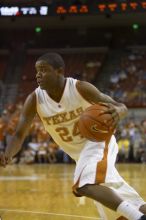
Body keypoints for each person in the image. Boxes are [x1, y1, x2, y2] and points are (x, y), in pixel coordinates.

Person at [0, 52, 146, 220]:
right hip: (81, 155)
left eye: (43, 70)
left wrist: (119, 111)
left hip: (98, 142)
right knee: (128, 203)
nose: (38, 75)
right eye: (36, 71)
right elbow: (19, 134)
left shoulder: (80, 88)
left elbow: (120, 106)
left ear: (59, 71)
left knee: (84, 185)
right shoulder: (34, 99)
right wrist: (7, 155)